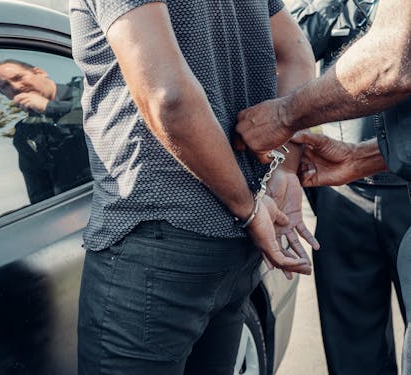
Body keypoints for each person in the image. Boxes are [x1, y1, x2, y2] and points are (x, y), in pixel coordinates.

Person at [68, 1, 318, 374]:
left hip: (157, 234)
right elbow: (298, 55)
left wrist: (248, 207)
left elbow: (168, 97)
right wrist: (281, 168)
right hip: (231, 247)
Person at [233, 0, 411, 371]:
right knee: (352, 346)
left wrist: (283, 116)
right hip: (344, 188)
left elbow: (394, 61)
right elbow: (293, 46)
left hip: (402, 187)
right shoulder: (334, 6)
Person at [0, 59, 90, 203]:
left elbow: (102, 117)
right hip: (77, 208)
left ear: (40, 72)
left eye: (17, 77)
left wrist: (49, 107)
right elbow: (39, 190)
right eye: (5, 86)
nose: (15, 87)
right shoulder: (25, 132)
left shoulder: (88, 89)